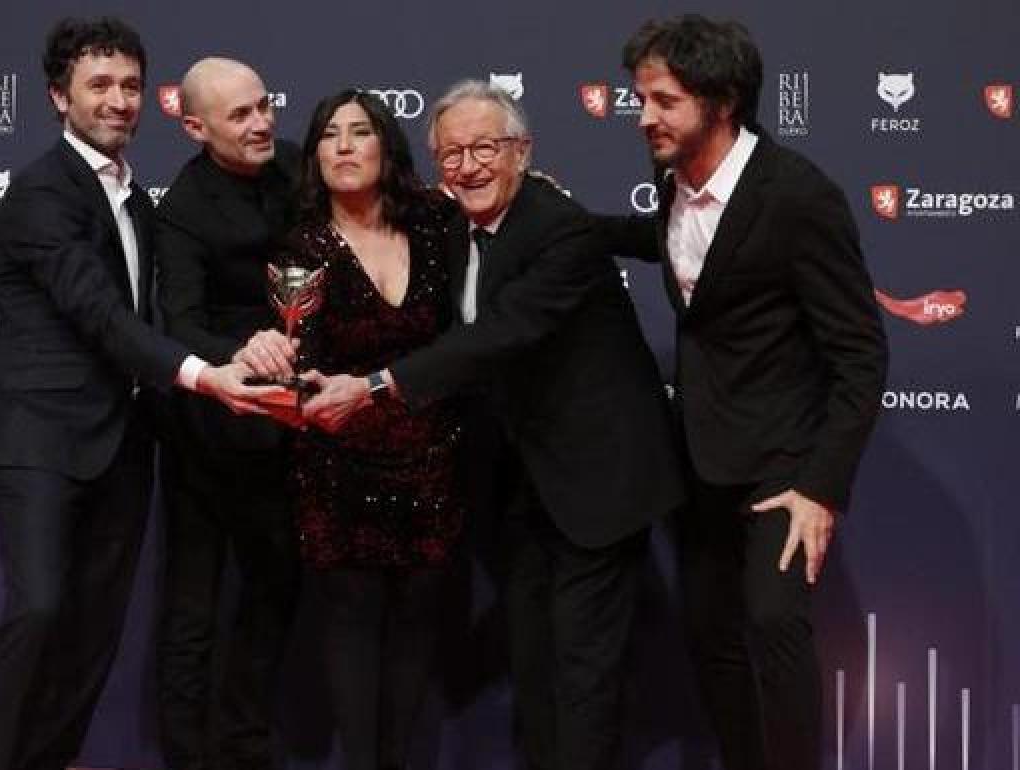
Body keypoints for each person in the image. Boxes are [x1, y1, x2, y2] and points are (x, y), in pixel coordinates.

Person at [300, 81, 686, 770]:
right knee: (533, 662)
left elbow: (501, 334)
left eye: (486, 148)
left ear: (523, 152)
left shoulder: (555, 226)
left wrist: (379, 386)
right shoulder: (451, 224)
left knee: (582, 670)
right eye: (452, 153)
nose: (468, 165)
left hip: (601, 481)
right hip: (525, 482)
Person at [0, 19, 270, 770]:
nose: (119, 100)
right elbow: (99, 316)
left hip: (124, 444)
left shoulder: (138, 202)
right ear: (58, 97)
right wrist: (204, 376)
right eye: (99, 85)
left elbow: (155, 321)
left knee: (93, 633)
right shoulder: (38, 194)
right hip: (40, 439)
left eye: (131, 85)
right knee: (36, 612)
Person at [621, 15, 888, 770]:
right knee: (712, 641)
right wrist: (575, 227)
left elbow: (862, 353)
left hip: (784, 469)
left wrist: (820, 487)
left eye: (664, 100)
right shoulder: (670, 179)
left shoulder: (799, 197)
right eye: (641, 98)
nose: (644, 117)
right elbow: (686, 252)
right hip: (701, 459)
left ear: (723, 101)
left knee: (773, 627)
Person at [281, 89, 463, 770]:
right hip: (339, 472)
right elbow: (296, 358)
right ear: (315, 155)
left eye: (361, 132)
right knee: (352, 632)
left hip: (432, 466)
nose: (345, 146)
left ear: (388, 147)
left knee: (417, 632)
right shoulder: (302, 248)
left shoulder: (434, 228)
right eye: (330, 134)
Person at [154, 57, 302, 770]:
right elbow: (175, 320)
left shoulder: (296, 168)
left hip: (290, 433)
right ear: (195, 127)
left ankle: (245, 751)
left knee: (274, 596)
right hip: (208, 442)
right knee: (193, 611)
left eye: (264, 104)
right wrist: (244, 353)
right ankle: (185, 757)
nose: (262, 122)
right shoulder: (181, 208)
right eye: (240, 115)